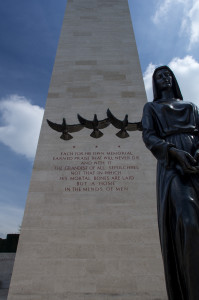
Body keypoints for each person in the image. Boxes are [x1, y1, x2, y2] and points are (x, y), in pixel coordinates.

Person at [142, 66, 199, 300]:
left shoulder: (191, 106)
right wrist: (174, 153)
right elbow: (148, 135)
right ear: (155, 83)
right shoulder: (152, 108)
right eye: (158, 76)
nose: (164, 78)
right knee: (188, 223)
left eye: (167, 74)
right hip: (172, 163)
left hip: (196, 157)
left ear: (173, 79)